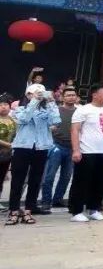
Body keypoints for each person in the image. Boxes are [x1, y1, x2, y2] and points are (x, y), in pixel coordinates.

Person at [6, 84, 62, 224]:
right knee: (17, 180)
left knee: (35, 180)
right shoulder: (18, 109)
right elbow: (24, 119)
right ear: (28, 95)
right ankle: (13, 210)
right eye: (34, 94)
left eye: (40, 94)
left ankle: (28, 210)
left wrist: (51, 102)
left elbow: (56, 121)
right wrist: (34, 101)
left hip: (41, 148)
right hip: (22, 147)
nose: (38, 96)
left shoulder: (46, 110)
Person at [70, 83, 103, 222]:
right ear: (94, 94)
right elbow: (75, 130)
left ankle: (94, 209)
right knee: (82, 182)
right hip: (87, 151)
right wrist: (76, 150)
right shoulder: (83, 110)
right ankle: (77, 211)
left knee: (100, 182)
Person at [40, 87, 79, 210]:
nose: (71, 97)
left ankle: (58, 199)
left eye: (73, 95)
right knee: (49, 175)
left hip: (72, 147)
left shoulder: (79, 112)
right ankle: (46, 201)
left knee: (66, 176)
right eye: (68, 95)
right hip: (56, 144)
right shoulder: (55, 110)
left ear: (76, 97)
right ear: (62, 97)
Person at [0, 95, 15, 211]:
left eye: (5, 105)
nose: (3, 107)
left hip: (6, 155)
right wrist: (9, 145)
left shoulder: (12, 121)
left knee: (1, 178)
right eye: (0, 105)